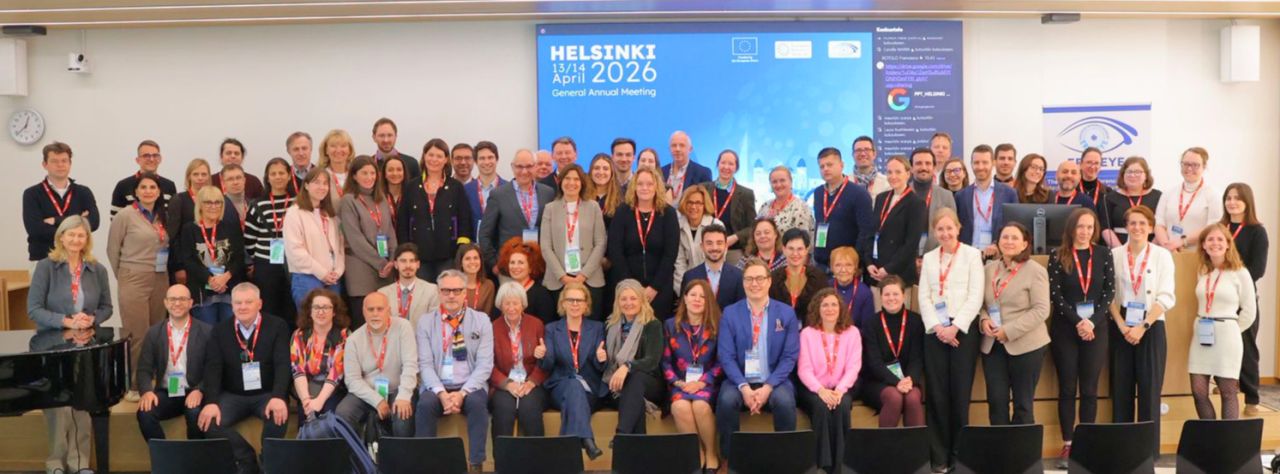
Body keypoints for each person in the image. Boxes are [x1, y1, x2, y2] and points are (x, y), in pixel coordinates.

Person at [28, 216, 112, 474]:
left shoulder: (97, 269)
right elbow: (34, 309)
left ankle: (79, 462)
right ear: (61, 237)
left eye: (81, 235)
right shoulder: (46, 267)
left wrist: (91, 318)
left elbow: (107, 307)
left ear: (87, 239)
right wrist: (66, 321)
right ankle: (55, 462)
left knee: (82, 404)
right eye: (71, 235)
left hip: (85, 345)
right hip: (53, 346)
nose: (76, 239)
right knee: (57, 407)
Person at [915, 208, 985, 472]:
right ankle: (939, 455)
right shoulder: (929, 258)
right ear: (935, 232)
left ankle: (958, 455)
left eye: (949, 228)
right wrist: (938, 327)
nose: (945, 233)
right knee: (937, 395)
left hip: (962, 333)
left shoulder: (972, 255)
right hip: (935, 334)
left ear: (958, 228)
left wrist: (955, 328)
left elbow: (975, 295)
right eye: (940, 229)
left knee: (959, 394)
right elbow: (924, 296)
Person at [1047, 208, 1116, 467]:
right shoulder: (1058, 255)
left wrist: (1091, 322)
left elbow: (1109, 291)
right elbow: (1056, 295)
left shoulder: (1104, 254)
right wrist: (1078, 322)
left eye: (1089, 227)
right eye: (1080, 226)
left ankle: (1086, 445)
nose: (1085, 231)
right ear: (1071, 228)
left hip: (1096, 329)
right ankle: (1067, 444)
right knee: (1067, 388)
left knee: (1089, 389)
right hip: (1066, 329)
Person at [198, 283, 290, 474]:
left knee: (278, 416)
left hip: (267, 394)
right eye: (238, 303)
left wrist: (279, 396)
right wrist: (211, 401)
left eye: (248, 302)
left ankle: (268, 464)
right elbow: (213, 368)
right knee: (209, 422)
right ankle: (246, 458)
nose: (243, 307)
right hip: (233, 395)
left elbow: (283, 364)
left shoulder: (277, 326)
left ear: (260, 304)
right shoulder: (220, 330)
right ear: (231, 305)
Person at [716, 258, 800, 461]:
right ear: (743, 282)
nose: (754, 284)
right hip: (739, 379)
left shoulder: (786, 313)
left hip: (775, 380)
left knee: (784, 401)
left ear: (769, 281)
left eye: (760, 278)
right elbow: (726, 356)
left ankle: (785, 460)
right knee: (726, 401)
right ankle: (730, 460)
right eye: (749, 279)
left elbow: (789, 356)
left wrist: (768, 387)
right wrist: (744, 388)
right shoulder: (730, 313)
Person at [1108, 205, 1175, 457]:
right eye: (1132, 223)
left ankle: (1147, 455)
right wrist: (1122, 325)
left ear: (1151, 227)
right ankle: (1122, 452)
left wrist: (1143, 326)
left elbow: (1167, 296)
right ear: (1126, 226)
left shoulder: (1161, 256)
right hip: (1121, 325)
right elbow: (1108, 295)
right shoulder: (1114, 254)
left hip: (1151, 325)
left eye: (1142, 223)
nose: (1137, 228)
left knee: (1149, 391)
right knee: (1121, 390)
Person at [415, 269, 493, 471]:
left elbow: (485, 365)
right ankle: (425, 465)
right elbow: (425, 364)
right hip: (437, 385)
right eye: (446, 291)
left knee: (477, 405)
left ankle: (476, 464)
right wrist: (442, 394)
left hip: (469, 385)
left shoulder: (481, 320)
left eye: (457, 290)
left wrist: (462, 393)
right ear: (439, 293)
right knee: (425, 405)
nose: (451, 295)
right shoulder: (425, 322)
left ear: (465, 292)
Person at [980, 223, 1050, 425]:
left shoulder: (1035, 270)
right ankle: (1002, 445)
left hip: (1026, 345)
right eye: (1005, 237)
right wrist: (984, 319)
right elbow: (981, 304)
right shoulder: (988, 269)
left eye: (1014, 238)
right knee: (996, 403)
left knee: (1023, 406)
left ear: (1024, 244)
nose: (1009, 242)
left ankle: (1022, 447)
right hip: (993, 345)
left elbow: (1041, 310)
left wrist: (1008, 331)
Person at [108, 172, 172, 398]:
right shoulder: (125, 215)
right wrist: (125, 277)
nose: (148, 191)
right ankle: (136, 385)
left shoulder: (163, 215)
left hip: (160, 277)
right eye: (143, 187)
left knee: (157, 332)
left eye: (153, 187)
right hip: (133, 277)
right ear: (135, 191)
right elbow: (112, 249)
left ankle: (155, 380)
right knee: (138, 335)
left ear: (159, 191)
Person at [1190, 224, 1257, 420]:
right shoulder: (1203, 270)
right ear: (1203, 245)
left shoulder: (1240, 272)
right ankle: (1211, 434)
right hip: (1202, 334)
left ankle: (1229, 438)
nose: (1215, 243)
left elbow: (1249, 311)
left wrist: (1232, 330)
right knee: (1199, 392)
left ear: (1228, 244)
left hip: (1227, 336)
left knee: (1228, 392)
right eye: (1210, 239)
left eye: (1220, 239)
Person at [535, 282, 607, 459]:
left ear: (586, 304)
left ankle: (567, 451)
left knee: (575, 397)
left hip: (589, 389)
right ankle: (587, 440)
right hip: (561, 387)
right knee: (573, 386)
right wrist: (542, 355)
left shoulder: (597, 328)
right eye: (570, 300)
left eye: (579, 300)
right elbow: (548, 364)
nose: (575, 304)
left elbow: (599, 367)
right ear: (563, 303)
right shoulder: (552, 329)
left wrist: (601, 359)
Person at [797, 288, 862, 474]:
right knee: (821, 407)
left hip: (843, 387)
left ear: (841, 308)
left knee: (842, 406)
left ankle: (841, 465)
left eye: (834, 304)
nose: (830, 309)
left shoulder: (852, 332)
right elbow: (804, 369)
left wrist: (839, 390)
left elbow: (853, 367)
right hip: (813, 388)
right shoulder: (807, 334)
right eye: (825, 305)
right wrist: (821, 391)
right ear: (817, 309)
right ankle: (823, 465)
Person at [136, 284, 212, 441]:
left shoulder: (206, 331)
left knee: (194, 413)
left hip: (194, 390)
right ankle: (164, 454)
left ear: (191, 303)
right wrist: (147, 391)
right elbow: (144, 368)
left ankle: (197, 455)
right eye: (172, 299)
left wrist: (200, 389)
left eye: (182, 299)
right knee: (145, 413)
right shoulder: (154, 332)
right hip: (167, 392)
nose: (177, 303)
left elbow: (214, 368)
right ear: (165, 303)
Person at [337, 291, 418, 439]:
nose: (375, 314)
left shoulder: (403, 327)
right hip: (367, 392)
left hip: (398, 389)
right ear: (363, 312)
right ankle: (357, 453)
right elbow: (352, 380)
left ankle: (400, 455)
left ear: (389, 310)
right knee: (343, 414)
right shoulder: (353, 339)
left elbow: (410, 365)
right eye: (370, 309)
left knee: (402, 417)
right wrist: (377, 400)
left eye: (380, 309)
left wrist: (404, 396)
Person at [663, 279, 723, 472]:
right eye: (693, 295)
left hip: (707, 384)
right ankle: (697, 454)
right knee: (679, 407)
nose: (697, 299)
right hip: (680, 384)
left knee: (700, 406)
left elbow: (722, 362)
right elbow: (665, 361)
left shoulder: (717, 326)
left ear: (708, 301)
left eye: (702, 296)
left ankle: (712, 454)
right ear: (685, 298)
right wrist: (678, 383)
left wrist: (702, 383)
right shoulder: (670, 325)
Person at [1220, 183, 1269, 415]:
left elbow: (1258, 269)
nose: (1232, 202)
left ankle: (1251, 398)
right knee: (1220, 346)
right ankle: (1225, 386)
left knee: (1246, 348)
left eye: (1237, 198)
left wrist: (1233, 282)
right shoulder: (1220, 228)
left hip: (1243, 298)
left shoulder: (1257, 231)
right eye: (1228, 198)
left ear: (1247, 202)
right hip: (1218, 299)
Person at [609, 167, 681, 319]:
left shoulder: (668, 213)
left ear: (657, 187)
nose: (644, 188)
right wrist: (632, 287)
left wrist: (654, 287)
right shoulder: (622, 212)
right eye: (640, 184)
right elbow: (615, 250)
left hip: (659, 287)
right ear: (634, 187)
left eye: (649, 184)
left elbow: (670, 254)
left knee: (655, 329)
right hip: (627, 287)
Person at [399, 138, 474, 282]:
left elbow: (465, 220)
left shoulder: (456, 187)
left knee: (447, 291)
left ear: (446, 159)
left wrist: (460, 249)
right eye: (431, 155)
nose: (434, 159)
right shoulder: (411, 186)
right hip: (418, 255)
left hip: (448, 255)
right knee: (422, 293)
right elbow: (403, 222)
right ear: (424, 156)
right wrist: (405, 251)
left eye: (439, 156)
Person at [541, 163, 608, 317]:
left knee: (590, 325)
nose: (571, 183)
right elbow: (545, 246)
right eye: (567, 178)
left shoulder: (593, 207)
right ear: (560, 182)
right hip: (558, 280)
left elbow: (600, 243)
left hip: (590, 278)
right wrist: (562, 276)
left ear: (582, 183)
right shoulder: (550, 208)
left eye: (576, 179)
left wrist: (583, 275)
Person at [601, 279, 666, 436]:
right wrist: (601, 358)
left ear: (642, 300)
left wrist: (627, 366)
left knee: (636, 379)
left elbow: (652, 360)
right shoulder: (610, 325)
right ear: (617, 302)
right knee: (635, 402)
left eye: (633, 298)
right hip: (617, 386)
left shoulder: (652, 325)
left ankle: (621, 434)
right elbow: (608, 365)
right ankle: (632, 445)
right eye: (623, 299)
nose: (628, 303)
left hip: (649, 383)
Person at [339, 156, 397, 327]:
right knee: (363, 322)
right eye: (364, 173)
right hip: (361, 269)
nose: (369, 177)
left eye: (372, 173)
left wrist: (392, 260)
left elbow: (390, 231)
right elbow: (355, 239)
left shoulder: (381, 199)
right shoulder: (348, 200)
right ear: (354, 176)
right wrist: (381, 263)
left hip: (385, 270)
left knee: (384, 322)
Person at [860, 277, 924, 428]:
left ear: (904, 295)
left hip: (908, 380)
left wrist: (908, 380)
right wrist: (896, 382)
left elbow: (917, 358)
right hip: (877, 382)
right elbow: (874, 362)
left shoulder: (915, 321)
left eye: (895, 294)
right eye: (887, 294)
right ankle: (886, 443)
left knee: (913, 397)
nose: (891, 298)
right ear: (881, 297)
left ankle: (916, 443)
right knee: (894, 397)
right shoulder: (871, 324)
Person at [490, 281, 549, 440]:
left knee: (530, 408)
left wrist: (532, 382)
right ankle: (502, 455)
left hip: (531, 382)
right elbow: (488, 364)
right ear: (500, 305)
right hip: (505, 383)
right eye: (507, 303)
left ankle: (535, 454)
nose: (511, 308)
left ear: (523, 304)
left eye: (515, 303)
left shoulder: (536, 324)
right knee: (503, 409)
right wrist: (507, 384)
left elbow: (545, 361)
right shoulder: (493, 328)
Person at [22, 142, 100, 263]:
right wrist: (78, 221)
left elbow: (94, 223)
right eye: (54, 161)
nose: (60, 165)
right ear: (45, 164)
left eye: (64, 161)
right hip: (43, 258)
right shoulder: (32, 194)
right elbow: (35, 230)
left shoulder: (83, 192)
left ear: (70, 163)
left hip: (77, 258)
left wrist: (56, 220)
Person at [179, 186, 246, 325]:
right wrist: (210, 279)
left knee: (228, 332)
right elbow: (189, 260)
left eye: (217, 202)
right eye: (208, 202)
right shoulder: (189, 229)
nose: (213, 206)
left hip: (228, 289)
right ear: (200, 205)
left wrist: (225, 277)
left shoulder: (231, 227)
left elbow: (239, 258)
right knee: (207, 333)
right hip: (202, 292)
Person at [245, 158, 298, 330]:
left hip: (293, 262)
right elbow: (249, 239)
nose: (278, 177)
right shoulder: (257, 204)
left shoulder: (298, 202)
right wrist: (257, 259)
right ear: (267, 178)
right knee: (268, 308)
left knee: (291, 307)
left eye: (282, 173)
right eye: (273, 174)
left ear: (289, 175)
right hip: (266, 265)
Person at [479, 149, 556, 265]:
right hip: (510, 265)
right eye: (519, 167)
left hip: (540, 264)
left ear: (535, 166)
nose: (524, 171)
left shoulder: (548, 193)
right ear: (512, 167)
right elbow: (484, 234)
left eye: (529, 166)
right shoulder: (498, 195)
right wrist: (494, 264)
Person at [283, 167, 345, 308]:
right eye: (317, 182)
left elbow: (339, 247)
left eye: (325, 183)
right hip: (307, 277)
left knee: (333, 318)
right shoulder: (295, 213)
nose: (322, 187)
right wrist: (322, 273)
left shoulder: (330, 214)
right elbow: (295, 250)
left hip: (333, 278)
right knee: (310, 318)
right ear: (306, 185)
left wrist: (338, 271)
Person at [290, 288, 352, 425]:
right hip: (308, 388)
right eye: (316, 307)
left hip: (334, 389)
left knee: (328, 418)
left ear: (334, 312)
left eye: (326, 307)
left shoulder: (344, 336)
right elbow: (298, 370)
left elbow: (336, 373)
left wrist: (319, 401)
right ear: (310, 311)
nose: (321, 312)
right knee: (305, 418)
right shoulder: (299, 335)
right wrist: (306, 400)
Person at [867, 156, 927, 295]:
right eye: (889, 172)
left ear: (908, 174)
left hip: (900, 273)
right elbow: (872, 232)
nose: (893, 176)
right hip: (876, 271)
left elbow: (911, 243)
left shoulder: (916, 203)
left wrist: (888, 269)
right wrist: (869, 263)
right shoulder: (881, 198)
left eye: (898, 172)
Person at [813, 147, 875, 269]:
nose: (825, 169)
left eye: (829, 165)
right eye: (822, 166)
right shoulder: (818, 193)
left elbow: (866, 232)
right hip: (822, 263)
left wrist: (855, 260)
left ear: (841, 165)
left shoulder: (859, 194)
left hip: (846, 265)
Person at [955, 145, 1018, 257]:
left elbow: (1014, 227)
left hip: (997, 256)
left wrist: (998, 245)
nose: (980, 167)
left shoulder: (1009, 194)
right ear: (971, 164)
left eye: (985, 162)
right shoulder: (961, 195)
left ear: (993, 163)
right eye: (976, 163)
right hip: (967, 255)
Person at [167, 158, 240, 253]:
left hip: (216, 251)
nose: (200, 178)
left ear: (209, 177)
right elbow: (173, 235)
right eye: (195, 174)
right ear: (189, 176)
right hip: (187, 253)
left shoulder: (218, 198)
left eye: (204, 174)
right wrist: (179, 260)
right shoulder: (179, 199)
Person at [1156, 147, 1221, 252]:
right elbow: (1159, 223)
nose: (1189, 168)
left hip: (1198, 253)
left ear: (1204, 166)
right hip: (1168, 252)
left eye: (1195, 165)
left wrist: (1182, 241)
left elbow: (1212, 227)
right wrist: (1166, 245)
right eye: (1186, 164)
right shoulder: (1168, 193)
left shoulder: (1213, 194)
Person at [705, 149, 757, 260]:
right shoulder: (704, 189)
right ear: (718, 164)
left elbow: (753, 226)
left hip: (733, 249)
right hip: (706, 249)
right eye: (723, 162)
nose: (726, 167)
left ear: (736, 168)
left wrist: (735, 237)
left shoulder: (746, 194)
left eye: (731, 164)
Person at [377, 243, 441, 329]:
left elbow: (434, 324)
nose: (408, 265)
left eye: (412, 261)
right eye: (403, 261)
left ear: (418, 264)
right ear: (396, 264)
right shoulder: (383, 293)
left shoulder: (432, 290)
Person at [683, 224, 746, 310]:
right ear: (702, 246)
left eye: (719, 243)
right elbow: (684, 310)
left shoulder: (738, 276)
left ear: (726, 246)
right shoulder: (690, 276)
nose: (714, 248)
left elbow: (741, 309)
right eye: (709, 243)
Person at [674, 186, 724, 294]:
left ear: (704, 205)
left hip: (713, 285)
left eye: (698, 203)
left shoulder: (716, 225)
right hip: (687, 285)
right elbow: (679, 264)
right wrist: (684, 293)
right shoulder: (677, 226)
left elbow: (719, 261)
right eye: (690, 202)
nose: (693, 207)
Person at [110, 139, 177, 219]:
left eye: (155, 155)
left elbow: (173, 218)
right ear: (137, 160)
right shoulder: (123, 186)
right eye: (146, 156)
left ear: (160, 159)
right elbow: (115, 219)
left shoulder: (169, 186)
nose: (151, 159)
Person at [1102, 157, 1162, 246]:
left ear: (1146, 175)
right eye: (1129, 172)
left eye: (1138, 172)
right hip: (1119, 247)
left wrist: (1150, 250)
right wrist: (1120, 250)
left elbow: (1162, 226)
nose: (1133, 175)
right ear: (1123, 175)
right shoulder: (1110, 198)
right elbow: (1106, 228)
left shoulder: (1158, 196)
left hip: (1151, 247)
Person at [496, 238, 558, 323]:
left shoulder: (541, 294)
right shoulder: (504, 291)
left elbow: (547, 324)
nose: (515, 267)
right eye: (512, 262)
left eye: (520, 263)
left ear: (531, 267)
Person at [910, 147, 958, 254]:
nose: (923, 167)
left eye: (928, 163)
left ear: (934, 167)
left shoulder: (946, 196)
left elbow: (952, 231)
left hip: (938, 255)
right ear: (911, 168)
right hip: (906, 257)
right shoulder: (902, 194)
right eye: (918, 163)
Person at [770, 228, 827, 316]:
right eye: (791, 248)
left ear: (806, 250)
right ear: (784, 250)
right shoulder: (773, 278)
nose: (795, 253)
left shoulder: (819, 278)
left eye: (800, 249)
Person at [463, 141, 507, 234]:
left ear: (497, 159)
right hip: (474, 242)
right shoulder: (465, 190)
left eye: (490, 157)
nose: (486, 162)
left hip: (501, 242)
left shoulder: (508, 189)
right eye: (482, 158)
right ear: (476, 162)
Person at [757, 166, 815, 237]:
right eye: (774, 182)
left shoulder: (802, 208)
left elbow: (805, 240)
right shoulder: (764, 206)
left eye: (782, 180)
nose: (778, 185)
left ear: (791, 182)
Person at [829, 246, 875, 329]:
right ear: (832, 268)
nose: (843, 270)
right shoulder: (825, 288)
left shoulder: (865, 293)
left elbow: (867, 328)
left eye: (848, 265)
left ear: (855, 268)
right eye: (838, 265)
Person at [662, 131, 713, 199]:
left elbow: (707, 201)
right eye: (674, 145)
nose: (677, 149)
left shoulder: (702, 173)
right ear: (669, 149)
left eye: (682, 145)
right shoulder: (661, 172)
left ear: (690, 149)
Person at [371, 117, 422, 184]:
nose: (386, 140)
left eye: (390, 135)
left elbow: (419, 187)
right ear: (374, 137)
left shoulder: (411, 163)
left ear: (395, 136)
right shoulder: (369, 165)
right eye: (381, 135)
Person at [457, 243, 496, 316]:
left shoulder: (488, 286)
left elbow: (486, 315)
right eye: (467, 259)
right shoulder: (453, 285)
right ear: (461, 263)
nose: (472, 262)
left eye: (475, 258)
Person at [588, 152, 624, 229]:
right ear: (591, 171)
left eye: (605, 169)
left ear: (612, 173)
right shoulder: (582, 196)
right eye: (596, 168)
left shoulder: (621, 199)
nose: (601, 172)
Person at [318, 129, 355, 198]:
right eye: (333, 146)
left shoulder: (357, 174)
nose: (338, 150)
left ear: (350, 149)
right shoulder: (319, 176)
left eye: (343, 146)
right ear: (326, 150)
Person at [1078, 148, 1111, 221]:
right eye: (1089, 162)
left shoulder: (1107, 192)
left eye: (1096, 163)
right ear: (1081, 164)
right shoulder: (1073, 190)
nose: (1092, 166)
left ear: (1100, 167)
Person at [219, 164, 251, 233]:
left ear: (244, 180)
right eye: (230, 179)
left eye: (238, 178)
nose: (235, 182)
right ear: (223, 183)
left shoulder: (253, 205)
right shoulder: (219, 206)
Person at [381, 154, 409, 231]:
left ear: (404, 173)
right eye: (390, 170)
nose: (395, 173)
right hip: (385, 237)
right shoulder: (377, 197)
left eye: (399, 170)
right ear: (384, 174)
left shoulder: (412, 195)